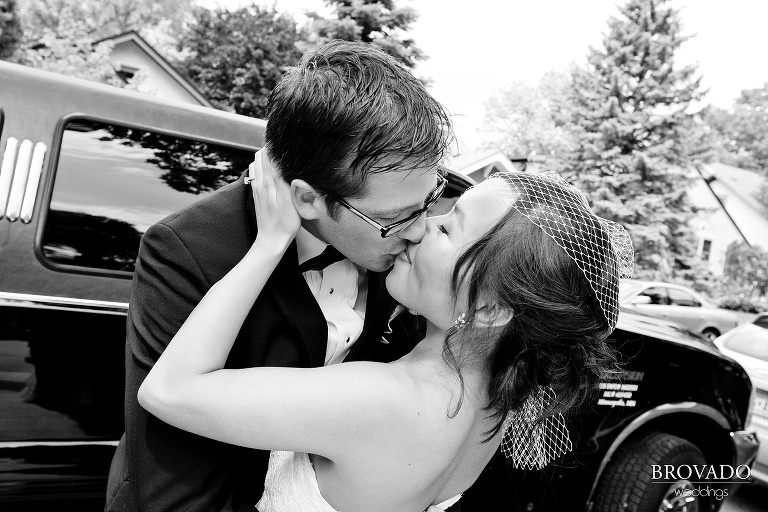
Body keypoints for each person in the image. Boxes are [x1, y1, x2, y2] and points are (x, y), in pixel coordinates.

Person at [138, 166, 634, 511]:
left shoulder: (379, 401)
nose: (421, 226)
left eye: (448, 229)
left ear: (487, 309)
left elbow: (168, 391)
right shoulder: (496, 404)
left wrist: (270, 242)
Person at [105, 40, 453, 512]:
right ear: (308, 199)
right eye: (395, 219)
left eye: (429, 201)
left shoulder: (409, 247)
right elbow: (172, 476)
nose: (419, 233)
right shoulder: (188, 250)